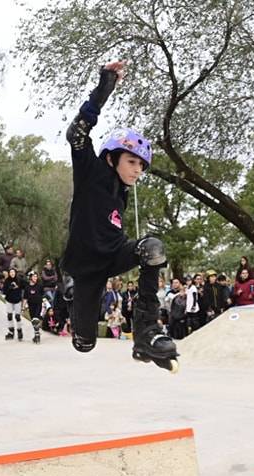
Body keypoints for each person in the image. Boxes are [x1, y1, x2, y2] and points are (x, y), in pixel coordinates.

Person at [59, 61, 176, 367]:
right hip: (85, 266)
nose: (137, 171)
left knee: (152, 249)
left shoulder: (122, 190)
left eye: (141, 166)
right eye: (132, 162)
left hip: (113, 254)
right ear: (111, 157)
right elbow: (77, 135)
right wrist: (103, 89)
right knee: (84, 343)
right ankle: (72, 293)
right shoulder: (91, 171)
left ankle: (146, 332)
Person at [0, 268, 25, 341]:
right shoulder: (7, 281)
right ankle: (11, 332)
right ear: (9, 273)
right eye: (10, 272)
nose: (12, 273)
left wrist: (19, 286)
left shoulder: (19, 280)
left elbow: (25, 285)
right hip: (9, 300)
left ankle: (19, 331)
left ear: (15, 273)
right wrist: (9, 288)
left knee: (17, 316)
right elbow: (4, 291)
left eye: (13, 272)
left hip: (17, 300)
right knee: (9, 315)